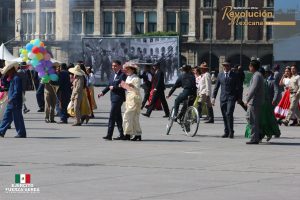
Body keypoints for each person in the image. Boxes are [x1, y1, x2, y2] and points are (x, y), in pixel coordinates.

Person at [245, 67, 281, 142]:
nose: (265, 74)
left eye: (267, 73)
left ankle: (263, 134)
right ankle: (260, 135)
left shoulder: (269, 81)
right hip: (261, 104)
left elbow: (276, 91)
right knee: (260, 121)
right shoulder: (260, 80)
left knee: (264, 120)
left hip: (265, 104)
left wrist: (274, 100)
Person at [98, 60, 127, 140]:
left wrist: (114, 87)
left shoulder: (123, 75)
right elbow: (109, 85)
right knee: (118, 117)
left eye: (115, 66)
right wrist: (102, 92)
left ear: (120, 66)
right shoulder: (112, 74)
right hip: (113, 97)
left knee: (112, 116)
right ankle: (122, 134)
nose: (113, 67)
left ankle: (109, 135)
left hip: (118, 98)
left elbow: (124, 87)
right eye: (112, 66)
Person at [212, 61, 240, 139]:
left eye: (227, 66)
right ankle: (226, 131)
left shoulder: (234, 75)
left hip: (231, 97)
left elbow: (238, 87)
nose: (225, 67)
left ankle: (231, 132)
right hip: (223, 98)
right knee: (224, 115)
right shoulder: (220, 75)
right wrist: (213, 98)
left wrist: (239, 98)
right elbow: (216, 87)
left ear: (229, 66)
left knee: (229, 113)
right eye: (224, 66)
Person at [0, 61, 26, 138]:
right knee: (6, 117)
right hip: (11, 102)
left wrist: (11, 98)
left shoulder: (16, 78)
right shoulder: (13, 77)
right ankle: (1, 131)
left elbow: (17, 91)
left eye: (8, 71)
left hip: (15, 102)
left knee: (17, 118)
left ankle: (21, 133)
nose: (7, 73)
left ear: (11, 70)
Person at [121, 62, 143, 141]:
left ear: (133, 70)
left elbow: (137, 89)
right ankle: (137, 134)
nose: (126, 70)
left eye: (128, 69)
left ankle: (128, 133)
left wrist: (131, 85)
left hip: (134, 98)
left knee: (127, 116)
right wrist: (124, 85)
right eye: (126, 69)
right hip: (129, 97)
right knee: (133, 117)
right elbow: (127, 88)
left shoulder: (136, 78)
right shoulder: (128, 77)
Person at [245, 60, 265, 144]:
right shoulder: (256, 75)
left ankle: (254, 138)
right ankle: (258, 133)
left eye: (250, 66)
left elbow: (254, 88)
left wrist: (247, 99)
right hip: (255, 101)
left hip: (254, 101)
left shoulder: (257, 75)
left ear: (252, 67)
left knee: (253, 120)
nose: (249, 68)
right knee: (250, 118)